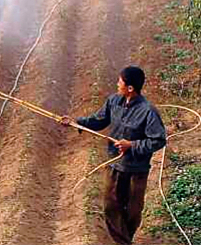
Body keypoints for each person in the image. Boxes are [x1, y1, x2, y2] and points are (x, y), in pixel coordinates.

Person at [61, 67, 166, 245]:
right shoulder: (114, 101)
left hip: (136, 170)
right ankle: (124, 243)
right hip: (115, 165)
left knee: (132, 211)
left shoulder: (148, 112)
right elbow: (98, 120)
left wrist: (131, 145)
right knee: (111, 207)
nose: (117, 84)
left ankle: (125, 239)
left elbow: (158, 140)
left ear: (130, 88)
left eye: (120, 82)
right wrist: (75, 122)